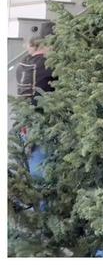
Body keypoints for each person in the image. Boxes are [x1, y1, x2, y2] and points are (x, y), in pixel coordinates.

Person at [16, 22, 56, 179]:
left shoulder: (23, 64)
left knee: (34, 173)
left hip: (27, 125)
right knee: (44, 177)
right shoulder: (50, 65)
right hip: (45, 127)